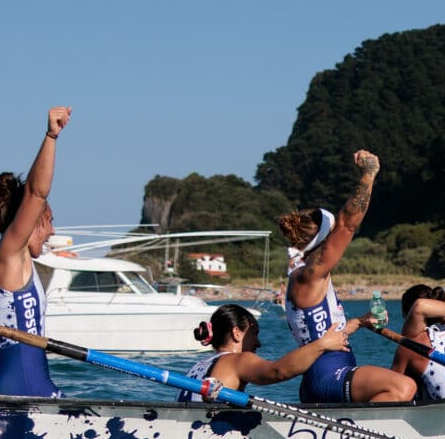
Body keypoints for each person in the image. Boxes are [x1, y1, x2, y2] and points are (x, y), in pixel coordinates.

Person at [275, 150, 417, 404]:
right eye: (332, 239)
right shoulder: (310, 274)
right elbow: (347, 224)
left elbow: (323, 330)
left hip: (319, 377)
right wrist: (369, 173)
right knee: (403, 388)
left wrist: (360, 323)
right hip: (330, 375)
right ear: (323, 241)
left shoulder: (303, 276)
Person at [0, 106, 70, 397]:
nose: (52, 231)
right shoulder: (10, 256)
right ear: (31, 220)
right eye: (49, 222)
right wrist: (51, 136)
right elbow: (36, 193)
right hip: (25, 380)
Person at [177, 305, 355, 400]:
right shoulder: (237, 360)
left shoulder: (197, 367)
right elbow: (278, 371)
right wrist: (322, 344)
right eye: (254, 334)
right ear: (237, 333)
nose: (258, 343)